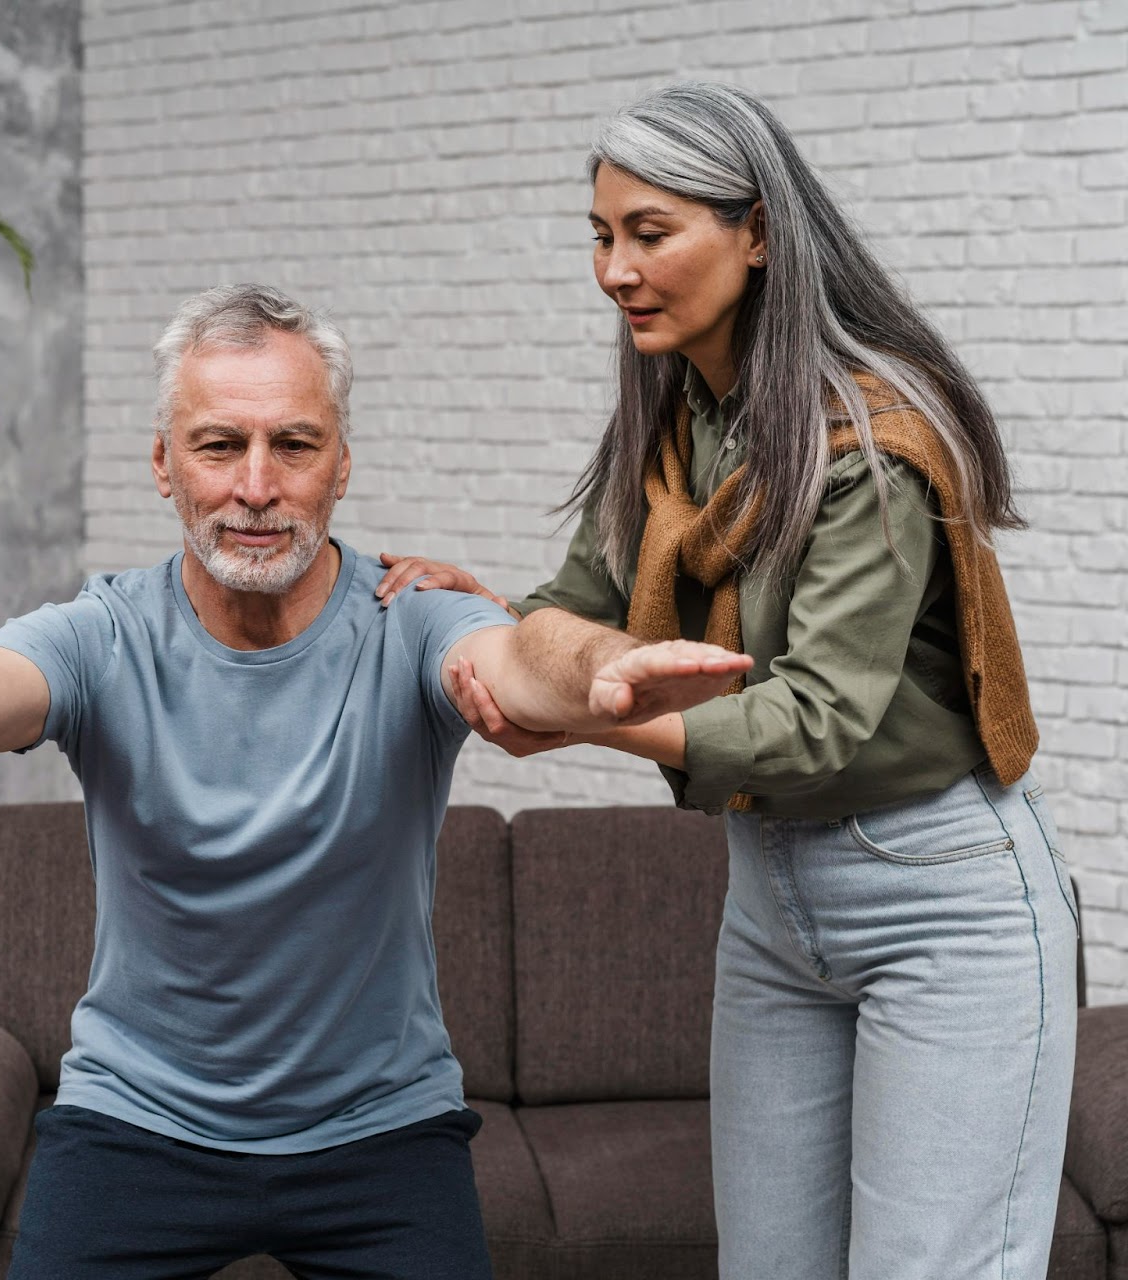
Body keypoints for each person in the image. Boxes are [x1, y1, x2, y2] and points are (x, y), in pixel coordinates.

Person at [0, 284, 747, 1279]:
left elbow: (520, 658)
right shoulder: (103, 637)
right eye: (217, 444)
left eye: (292, 444)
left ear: (339, 464)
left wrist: (606, 665)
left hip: (380, 1135)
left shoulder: (411, 614)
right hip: (138, 1126)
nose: (254, 484)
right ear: (163, 465)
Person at [377, 82, 1076, 1280]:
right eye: (601, 237)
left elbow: (812, 725)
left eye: (650, 233)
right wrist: (520, 643)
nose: (615, 270)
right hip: (771, 899)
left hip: (939, 899)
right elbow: (571, 611)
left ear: (755, 231)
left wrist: (599, 702)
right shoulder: (675, 427)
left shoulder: (872, 445)